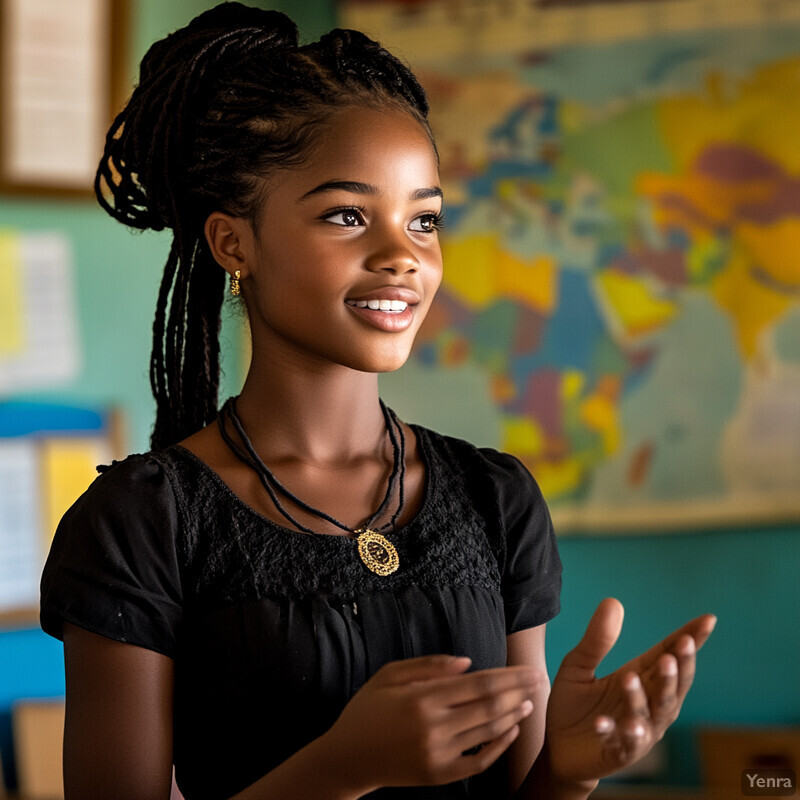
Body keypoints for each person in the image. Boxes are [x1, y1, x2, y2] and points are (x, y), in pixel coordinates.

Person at [39, 4, 716, 799]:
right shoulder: (143, 522)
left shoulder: (495, 500)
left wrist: (565, 771)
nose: (403, 255)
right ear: (234, 243)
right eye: (348, 216)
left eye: (425, 220)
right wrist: (342, 769)